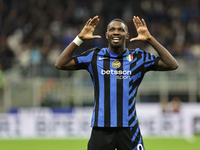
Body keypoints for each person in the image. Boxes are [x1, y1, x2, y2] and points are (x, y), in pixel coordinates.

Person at [55, 15, 178, 150]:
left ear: (127, 35)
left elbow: (172, 64)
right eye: (112, 30)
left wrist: (150, 39)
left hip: (129, 128)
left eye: (120, 30)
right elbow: (61, 64)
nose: (116, 32)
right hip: (101, 128)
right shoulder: (94, 56)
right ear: (107, 35)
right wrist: (79, 39)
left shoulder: (138, 57)